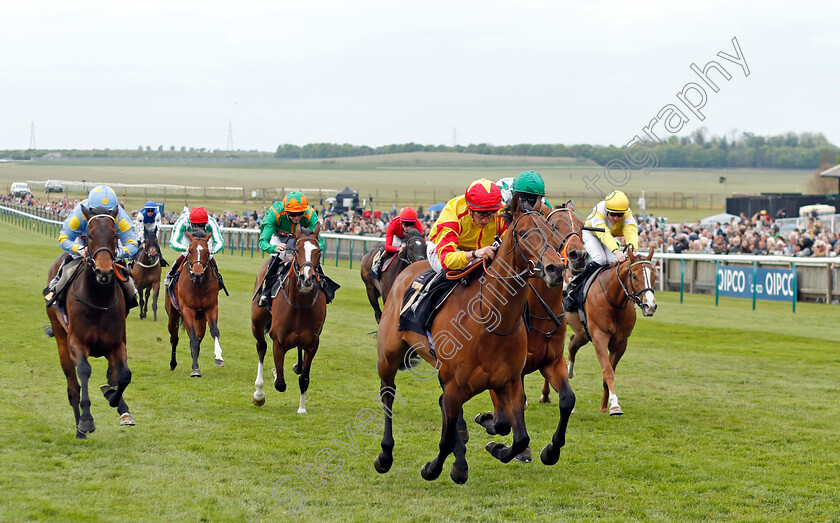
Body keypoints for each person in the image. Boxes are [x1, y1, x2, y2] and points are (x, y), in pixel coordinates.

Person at [44, 185, 139, 315]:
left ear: (114, 211)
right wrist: (79, 249)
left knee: (130, 287)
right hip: (83, 243)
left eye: (107, 213)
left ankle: (125, 309)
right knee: (65, 276)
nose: (103, 217)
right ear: (89, 209)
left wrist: (117, 253)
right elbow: (63, 238)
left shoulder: (120, 217)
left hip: (109, 248)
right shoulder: (79, 214)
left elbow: (133, 244)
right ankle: (58, 302)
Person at [564, 190, 639, 307]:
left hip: (607, 238)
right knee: (600, 259)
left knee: (613, 262)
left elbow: (631, 231)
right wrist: (617, 252)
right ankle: (573, 283)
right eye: (612, 214)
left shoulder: (627, 213)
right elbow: (604, 235)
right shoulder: (599, 211)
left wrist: (632, 250)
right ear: (607, 210)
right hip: (592, 234)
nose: (616, 218)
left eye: (620, 215)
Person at [256, 191, 325, 307]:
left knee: (311, 258)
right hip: (279, 237)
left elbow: (320, 242)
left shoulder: (310, 214)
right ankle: (266, 290)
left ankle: (324, 287)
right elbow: (262, 242)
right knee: (279, 256)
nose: (297, 217)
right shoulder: (274, 213)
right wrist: (274, 248)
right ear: (286, 211)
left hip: (300, 239)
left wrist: (314, 248)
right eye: (293, 214)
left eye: (300, 213)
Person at [429, 178, 506, 272]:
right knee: (457, 271)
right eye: (481, 215)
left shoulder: (501, 211)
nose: (486, 220)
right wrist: (474, 254)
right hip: (445, 251)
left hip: (482, 251)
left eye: (491, 214)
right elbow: (447, 260)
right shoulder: (453, 214)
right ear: (470, 210)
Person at [163, 206, 225, 289]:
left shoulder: (211, 223)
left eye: (202, 225)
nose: (199, 228)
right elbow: (173, 242)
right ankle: (170, 275)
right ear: (191, 223)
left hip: (204, 239)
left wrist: (212, 250)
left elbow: (220, 242)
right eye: (196, 225)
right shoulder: (183, 222)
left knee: (209, 256)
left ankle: (218, 278)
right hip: (189, 239)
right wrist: (186, 248)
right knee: (186, 254)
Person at [370, 206, 425, 278]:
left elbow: (422, 245)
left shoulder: (419, 226)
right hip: (398, 237)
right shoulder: (393, 224)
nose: (408, 228)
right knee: (392, 246)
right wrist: (398, 249)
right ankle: (378, 264)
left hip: (411, 238)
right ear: (401, 222)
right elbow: (387, 246)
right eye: (406, 224)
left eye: (411, 224)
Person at [133, 200, 167, 266]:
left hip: (152, 225)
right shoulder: (141, 215)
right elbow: (141, 229)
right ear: (146, 210)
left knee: (154, 243)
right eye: (148, 211)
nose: (150, 213)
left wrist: (155, 239)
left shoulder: (157, 214)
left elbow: (158, 228)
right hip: (141, 225)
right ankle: (132, 259)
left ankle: (161, 258)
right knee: (138, 241)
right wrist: (143, 240)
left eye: (152, 211)